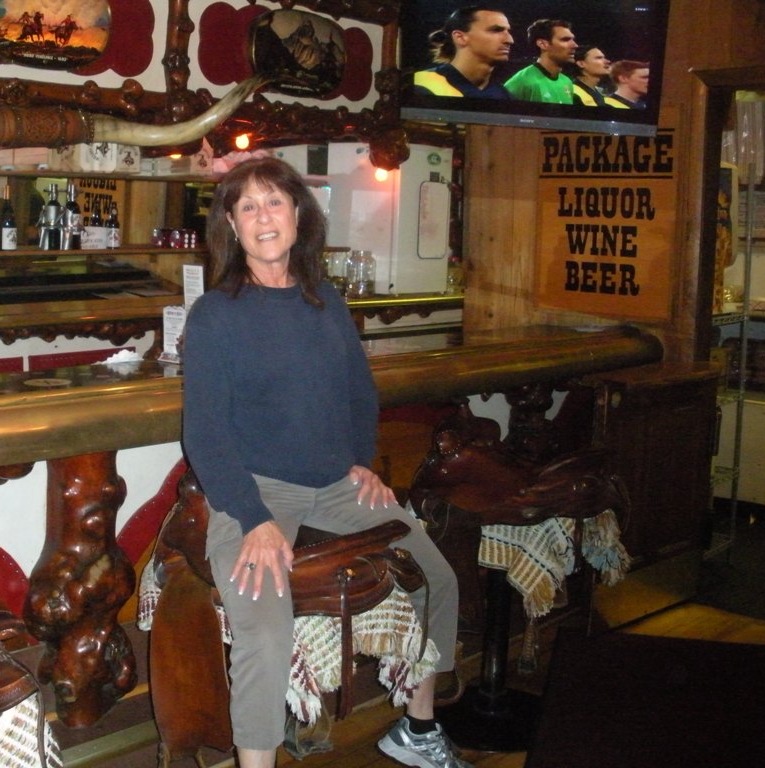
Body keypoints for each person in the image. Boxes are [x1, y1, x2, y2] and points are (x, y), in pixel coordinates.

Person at [181, 157, 468, 768]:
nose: (264, 216)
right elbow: (204, 433)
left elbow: (358, 391)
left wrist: (361, 460)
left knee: (436, 577)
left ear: (297, 214)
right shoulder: (216, 314)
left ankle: (418, 728)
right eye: (248, 206)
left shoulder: (325, 300)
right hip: (257, 492)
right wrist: (253, 517)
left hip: (338, 484)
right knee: (264, 629)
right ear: (231, 223)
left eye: (275, 202)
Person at [413, 5, 513, 99]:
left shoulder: (504, 95)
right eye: (496, 30)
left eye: (508, 31)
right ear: (460, 37)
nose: (509, 40)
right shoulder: (421, 85)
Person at [503, 18, 577, 104]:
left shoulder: (567, 82)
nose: (575, 45)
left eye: (573, 40)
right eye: (565, 40)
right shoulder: (522, 82)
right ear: (542, 44)